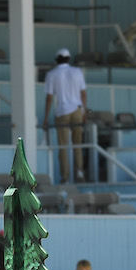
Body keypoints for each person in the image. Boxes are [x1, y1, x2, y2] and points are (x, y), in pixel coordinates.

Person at [43, 48, 87, 183]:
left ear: (57, 59)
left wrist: (46, 117)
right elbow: (83, 94)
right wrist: (84, 112)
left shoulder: (52, 74)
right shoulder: (77, 72)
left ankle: (65, 176)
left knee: (63, 145)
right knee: (77, 143)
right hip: (77, 110)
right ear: (69, 59)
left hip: (62, 111)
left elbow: (49, 98)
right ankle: (79, 172)